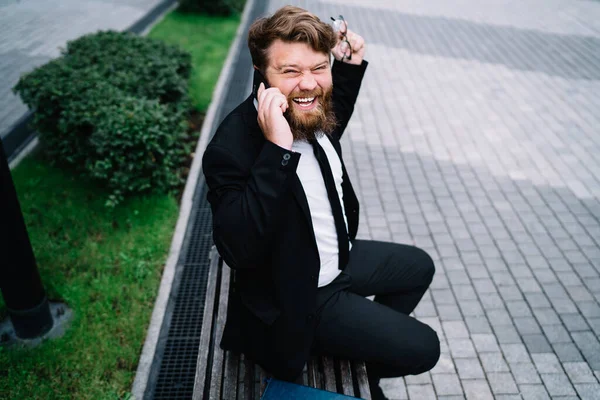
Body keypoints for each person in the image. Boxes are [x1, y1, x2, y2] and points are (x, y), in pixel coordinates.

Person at [202, 6, 440, 399]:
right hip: (298, 294)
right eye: (291, 71)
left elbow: (331, 112)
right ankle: (346, 356)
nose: (309, 84)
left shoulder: (310, 112)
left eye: (319, 67)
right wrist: (277, 149)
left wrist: (348, 65)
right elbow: (237, 247)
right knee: (424, 347)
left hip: (332, 259)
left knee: (417, 266)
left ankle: (359, 353)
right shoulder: (233, 148)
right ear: (263, 75)